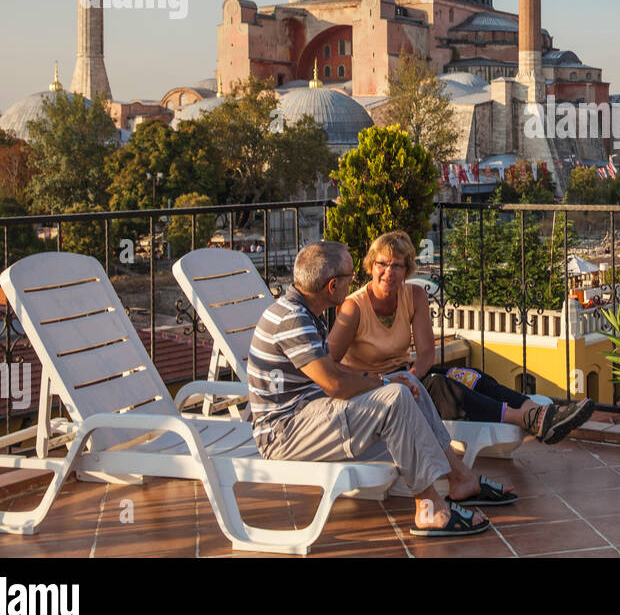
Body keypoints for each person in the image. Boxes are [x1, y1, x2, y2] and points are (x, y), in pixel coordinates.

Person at [247, 240, 516, 538]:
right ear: (332, 285)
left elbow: (333, 373)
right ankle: (429, 508)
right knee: (395, 397)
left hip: (311, 416)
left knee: (408, 383)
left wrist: (388, 381)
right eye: (350, 277)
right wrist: (383, 383)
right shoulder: (293, 319)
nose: (354, 282)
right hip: (285, 433)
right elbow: (333, 383)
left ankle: (460, 479)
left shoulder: (306, 312)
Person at [330, 230, 594, 445]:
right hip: (371, 388)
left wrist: (410, 377)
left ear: (407, 269)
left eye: (397, 265)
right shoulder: (355, 307)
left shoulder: (414, 296)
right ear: (370, 266)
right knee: (441, 387)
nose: (389, 272)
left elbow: (425, 354)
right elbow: (329, 364)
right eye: (382, 264)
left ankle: (542, 416)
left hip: (404, 375)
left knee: (472, 377)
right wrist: (382, 381)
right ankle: (524, 417)